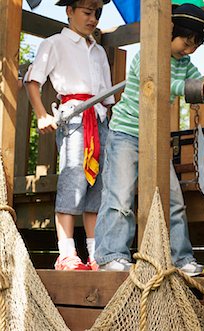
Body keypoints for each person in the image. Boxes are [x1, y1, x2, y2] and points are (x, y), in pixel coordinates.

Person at [94, 3, 204, 275]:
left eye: (196, 45)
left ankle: (181, 260)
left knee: (174, 201)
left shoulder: (185, 65)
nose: (190, 49)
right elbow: (158, 84)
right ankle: (111, 256)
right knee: (119, 198)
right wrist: (190, 88)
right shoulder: (147, 54)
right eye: (186, 41)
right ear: (170, 31)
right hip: (125, 134)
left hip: (156, 139)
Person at [24, 0, 114, 271]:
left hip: (99, 118)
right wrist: (41, 114)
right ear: (69, 11)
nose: (93, 19)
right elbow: (32, 81)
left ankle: (95, 252)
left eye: (97, 13)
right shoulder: (54, 43)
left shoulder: (98, 52)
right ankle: (66, 253)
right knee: (74, 180)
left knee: (98, 186)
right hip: (74, 117)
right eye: (87, 12)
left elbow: (108, 98)